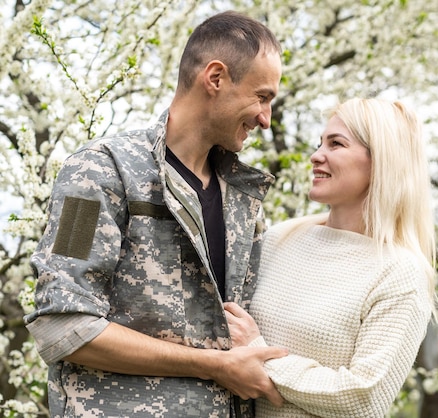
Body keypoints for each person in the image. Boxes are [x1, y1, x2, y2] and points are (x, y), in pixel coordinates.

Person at [23, 11, 288, 418]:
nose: (266, 120)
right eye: (262, 97)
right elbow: (63, 325)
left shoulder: (244, 200)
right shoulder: (96, 170)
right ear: (215, 78)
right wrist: (215, 365)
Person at [225, 97, 438, 417]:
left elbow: (364, 398)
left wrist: (261, 357)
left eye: (336, 144)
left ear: (382, 160)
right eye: (319, 143)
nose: (315, 156)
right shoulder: (279, 238)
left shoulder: (400, 273)